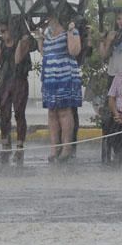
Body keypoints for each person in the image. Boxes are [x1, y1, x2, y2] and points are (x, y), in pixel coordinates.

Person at [36, 14, 82, 163]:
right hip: (50, 74)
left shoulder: (70, 29)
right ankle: (54, 147)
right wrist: (39, 40)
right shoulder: (47, 31)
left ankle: (67, 147)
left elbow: (74, 51)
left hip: (65, 74)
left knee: (64, 111)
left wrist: (70, 32)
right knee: (52, 112)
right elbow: (45, 53)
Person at [0, 17, 32, 163]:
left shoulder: (22, 43)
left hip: (19, 81)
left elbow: (17, 60)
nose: (3, 34)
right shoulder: (3, 44)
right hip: (5, 81)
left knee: (19, 113)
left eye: (4, 31)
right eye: (1, 31)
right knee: (4, 113)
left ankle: (20, 146)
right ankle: (5, 143)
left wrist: (19, 41)